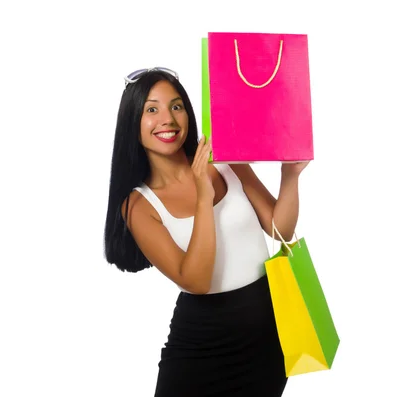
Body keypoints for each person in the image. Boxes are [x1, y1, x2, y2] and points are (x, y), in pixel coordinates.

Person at [104, 67, 309, 396]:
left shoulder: (226, 159)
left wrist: (291, 175)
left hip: (268, 335)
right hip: (201, 346)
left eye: (176, 106)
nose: (168, 119)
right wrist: (203, 195)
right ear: (133, 121)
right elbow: (196, 281)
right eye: (152, 109)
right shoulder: (138, 206)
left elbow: (278, 228)